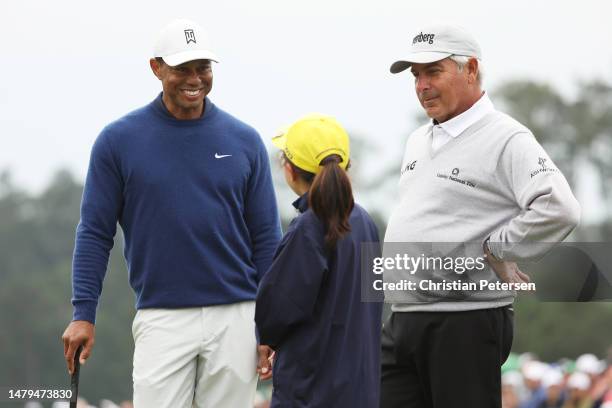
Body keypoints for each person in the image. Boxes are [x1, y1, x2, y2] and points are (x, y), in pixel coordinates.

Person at [61, 18, 281, 407]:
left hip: (236, 315)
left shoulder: (244, 141)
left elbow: (266, 238)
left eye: (203, 68)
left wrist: (272, 325)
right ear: (157, 68)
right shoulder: (118, 141)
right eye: (182, 68)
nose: (194, 78)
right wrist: (83, 313)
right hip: (161, 316)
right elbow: (95, 232)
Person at [381, 23, 581, 408]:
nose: (422, 85)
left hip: (465, 320)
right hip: (403, 317)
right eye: (416, 75)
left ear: (470, 69)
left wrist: (497, 249)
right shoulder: (418, 139)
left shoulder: (507, 137)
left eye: (433, 72)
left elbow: (559, 207)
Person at [255, 114, 383, 407]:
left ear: (289, 169)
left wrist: (265, 339)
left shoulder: (309, 226)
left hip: (312, 391)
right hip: (361, 391)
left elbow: (277, 309)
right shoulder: (365, 222)